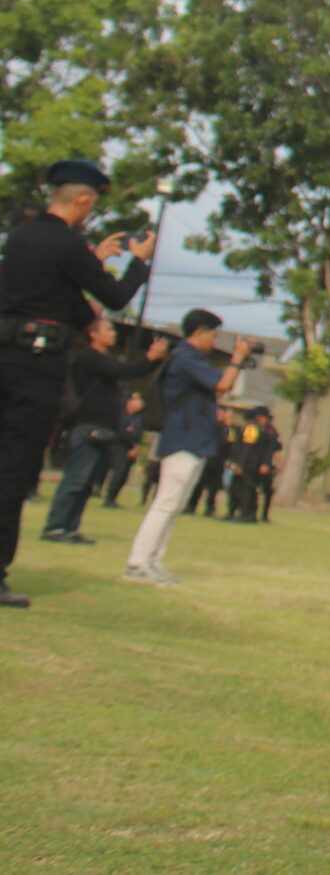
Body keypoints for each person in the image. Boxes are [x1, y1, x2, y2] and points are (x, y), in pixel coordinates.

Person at [0, 158, 155, 608]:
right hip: (35, 366)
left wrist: (94, 260)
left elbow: (74, 306)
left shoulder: (21, 237)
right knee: (14, 469)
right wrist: (137, 263)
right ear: (84, 200)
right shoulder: (69, 245)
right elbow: (113, 299)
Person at [125, 310, 253, 587]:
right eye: (213, 334)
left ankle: (153, 560)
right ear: (198, 333)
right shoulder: (185, 358)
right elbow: (222, 383)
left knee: (175, 505)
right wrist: (238, 358)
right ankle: (138, 562)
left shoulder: (194, 360)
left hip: (195, 437)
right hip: (183, 436)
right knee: (166, 503)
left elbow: (216, 390)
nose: (214, 340)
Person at [40, 316, 168, 544]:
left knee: (87, 482)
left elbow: (125, 370)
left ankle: (70, 527)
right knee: (76, 479)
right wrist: (149, 358)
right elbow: (122, 371)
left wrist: (151, 361)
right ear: (94, 333)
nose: (113, 334)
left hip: (103, 428)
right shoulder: (90, 357)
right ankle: (56, 526)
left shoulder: (106, 359)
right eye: (108, 330)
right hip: (87, 425)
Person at [226, 405, 278, 522]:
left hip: (248, 464)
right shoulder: (257, 428)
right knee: (244, 488)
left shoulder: (252, 429)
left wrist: (239, 464)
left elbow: (247, 448)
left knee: (246, 489)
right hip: (251, 463)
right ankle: (242, 513)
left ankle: (247, 514)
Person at [98, 394, 145, 508]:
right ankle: (109, 498)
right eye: (135, 400)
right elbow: (123, 433)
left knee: (124, 474)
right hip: (120, 447)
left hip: (131, 449)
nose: (139, 403)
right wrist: (133, 445)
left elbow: (138, 435)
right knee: (118, 472)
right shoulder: (121, 416)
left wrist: (136, 447)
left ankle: (114, 497)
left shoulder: (137, 419)